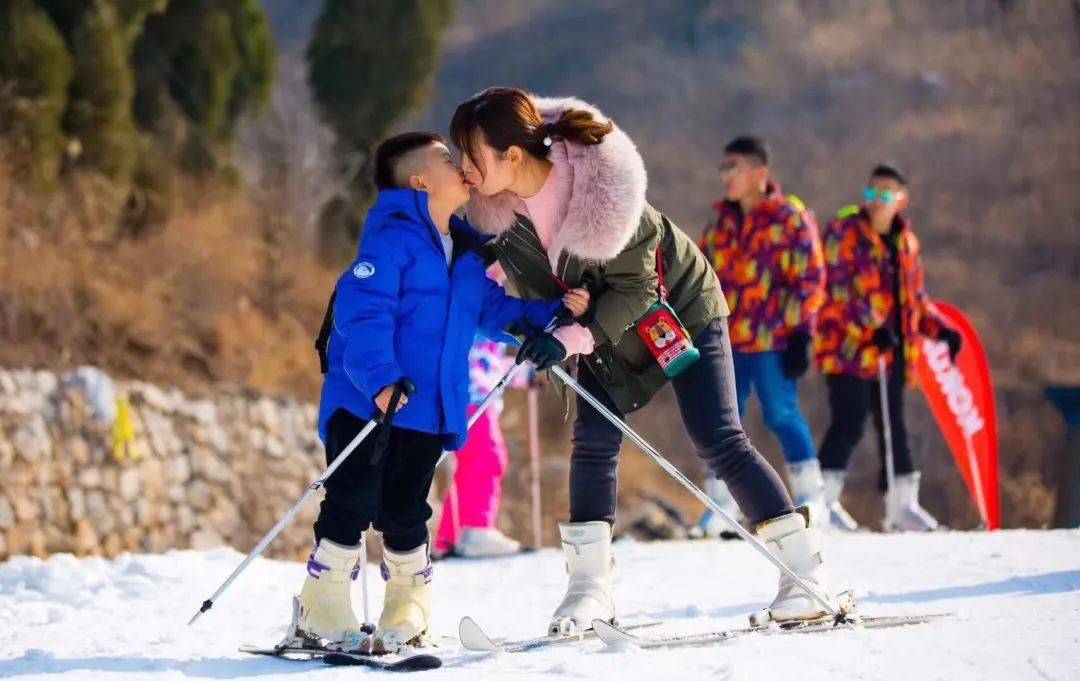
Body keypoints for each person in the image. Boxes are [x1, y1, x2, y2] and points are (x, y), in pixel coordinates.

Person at [450, 87, 842, 635]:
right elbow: (505, 282)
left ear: (512, 156)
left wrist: (567, 340)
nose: (463, 169)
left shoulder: (602, 187)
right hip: (598, 329)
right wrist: (537, 322)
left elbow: (638, 291)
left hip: (676, 311)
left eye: (472, 156)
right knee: (592, 441)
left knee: (717, 436)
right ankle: (589, 590)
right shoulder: (497, 215)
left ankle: (804, 576)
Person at [298, 131, 583, 653]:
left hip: (425, 410)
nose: (462, 166)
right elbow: (363, 313)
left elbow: (497, 312)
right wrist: (380, 378)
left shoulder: (466, 255)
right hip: (369, 401)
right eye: (448, 159)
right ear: (419, 180)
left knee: (407, 508)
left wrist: (556, 313)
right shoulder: (392, 241)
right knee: (352, 498)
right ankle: (322, 603)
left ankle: (408, 605)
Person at [814, 163, 963, 532]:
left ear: (901, 199)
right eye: (871, 193)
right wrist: (871, 328)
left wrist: (939, 329)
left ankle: (902, 507)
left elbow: (913, 298)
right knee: (849, 421)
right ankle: (822, 503)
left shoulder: (906, 242)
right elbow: (836, 289)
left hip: (895, 352)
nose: (876, 202)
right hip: (848, 349)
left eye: (884, 195)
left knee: (894, 425)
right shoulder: (844, 233)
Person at [696, 136, 827, 533]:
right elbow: (700, 275)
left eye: (733, 167)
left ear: (759, 173)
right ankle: (721, 506)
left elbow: (810, 277)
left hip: (773, 339)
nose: (725, 175)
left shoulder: (789, 218)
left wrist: (802, 332)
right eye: (723, 167)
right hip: (727, 340)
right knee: (720, 421)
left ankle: (810, 497)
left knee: (782, 414)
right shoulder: (720, 222)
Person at [433, 336, 526, 558]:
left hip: (472, 393)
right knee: (486, 458)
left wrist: (523, 375)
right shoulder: (477, 310)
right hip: (472, 395)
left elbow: (490, 361)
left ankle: (450, 537)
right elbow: (476, 359)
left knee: (468, 464)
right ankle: (476, 528)